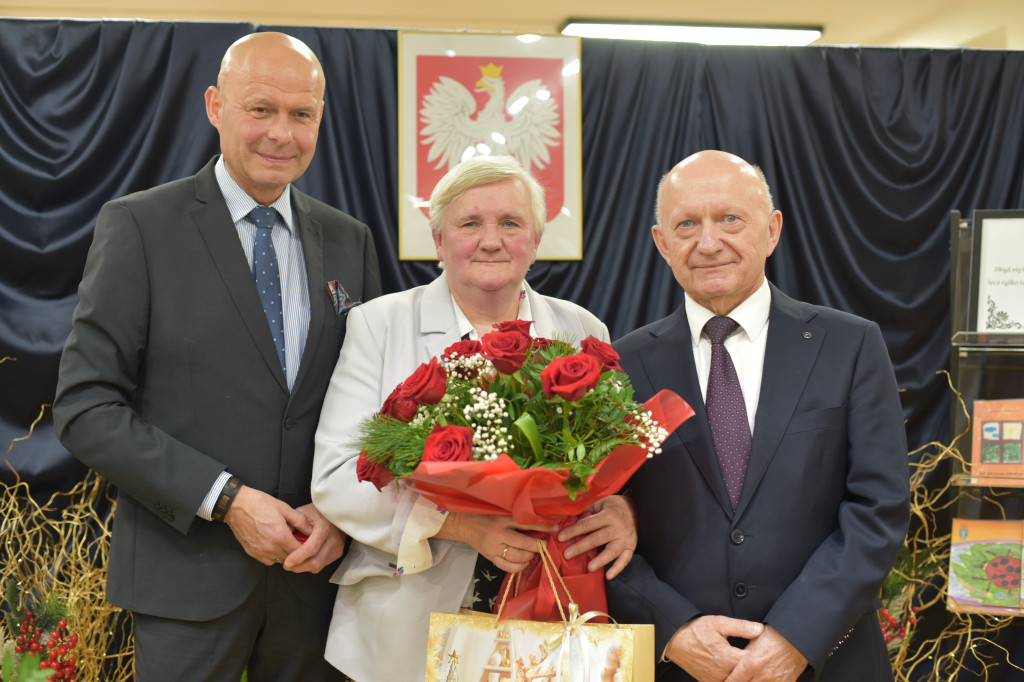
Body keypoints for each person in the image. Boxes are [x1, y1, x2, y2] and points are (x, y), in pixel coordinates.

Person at [52, 32, 381, 681]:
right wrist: (225, 499)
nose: (281, 133)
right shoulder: (140, 226)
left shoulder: (351, 240)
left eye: (301, 114)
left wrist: (342, 513)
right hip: (188, 582)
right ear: (215, 106)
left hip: (316, 581)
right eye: (261, 109)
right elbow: (86, 408)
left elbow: (373, 403)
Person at [311, 154, 636, 682]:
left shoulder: (583, 330)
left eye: (510, 223)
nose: (491, 241)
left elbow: (608, 461)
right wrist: (460, 525)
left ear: (536, 240)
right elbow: (336, 478)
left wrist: (620, 507)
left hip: (550, 616)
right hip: (404, 624)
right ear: (439, 241)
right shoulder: (379, 324)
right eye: (469, 224)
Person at [606, 150, 910, 682]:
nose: (707, 242)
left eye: (730, 218)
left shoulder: (850, 345)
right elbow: (598, 523)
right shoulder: (621, 364)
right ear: (661, 242)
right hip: (679, 666)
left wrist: (798, 636)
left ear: (771, 230)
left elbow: (878, 508)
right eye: (686, 224)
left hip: (828, 664)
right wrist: (672, 630)